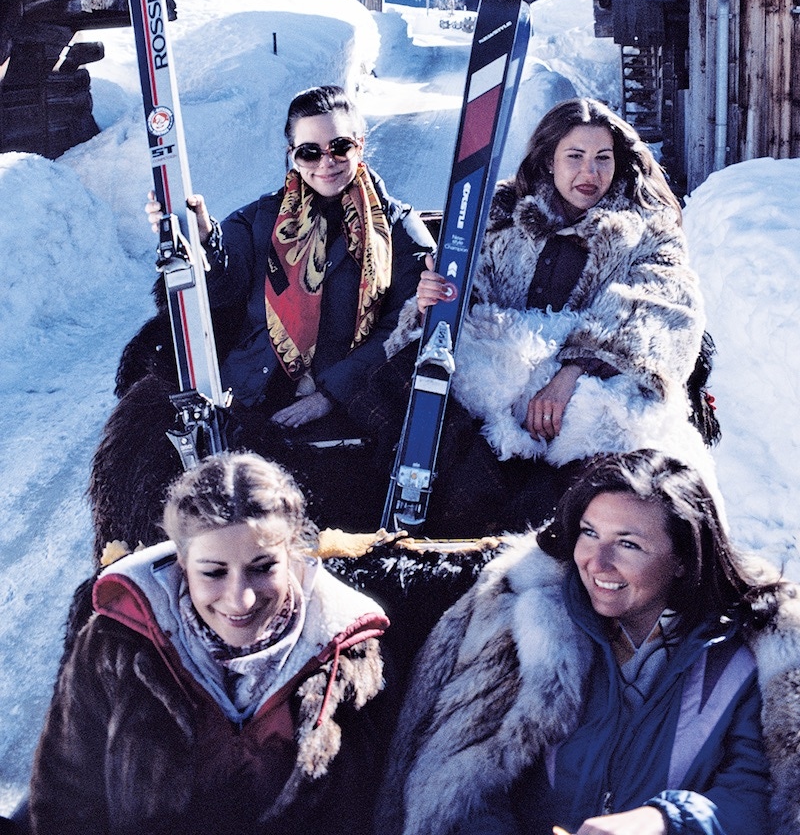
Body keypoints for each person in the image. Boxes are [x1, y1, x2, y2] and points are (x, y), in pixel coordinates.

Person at [378, 449, 800, 835]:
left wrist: (664, 824)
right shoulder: (529, 621)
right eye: (589, 533)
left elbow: (759, 796)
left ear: (683, 559)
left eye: (628, 544)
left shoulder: (744, 654)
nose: (597, 563)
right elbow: (463, 778)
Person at [91, 84, 434, 554]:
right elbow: (223, 283)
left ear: (361, 144)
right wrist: (199, 240)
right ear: (292, 154)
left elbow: (401, 332)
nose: (325, 162)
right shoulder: (261, 219)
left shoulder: (399, 229)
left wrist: (331, 394)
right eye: (309, 151)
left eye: (340, 147)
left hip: (348, 404)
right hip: (251, 395)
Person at [380, 97, 715, 534]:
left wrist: (571, 372)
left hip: (586, 401)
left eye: (602, 159)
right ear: (549, 160)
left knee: (574, 506)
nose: (589, 174)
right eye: (574, 157)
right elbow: (472, 290)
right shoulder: (502, 215)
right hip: (501, 391)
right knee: (430, 436)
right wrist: (435, 300)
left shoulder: (646, 229)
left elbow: (664, 303)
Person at [30, 452, 392, 835]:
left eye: (263, 567)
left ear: (293, 557)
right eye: (214, 572)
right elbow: (65, 799)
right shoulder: (114, 645)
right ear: (182, 563)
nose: (241, 600)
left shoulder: (349, 656)